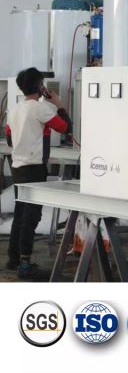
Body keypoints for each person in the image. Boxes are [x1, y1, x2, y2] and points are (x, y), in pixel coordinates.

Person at [5, 67, 71, 280]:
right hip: (34, 169)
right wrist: (59, 105)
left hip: (18, 167)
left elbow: (10, 139)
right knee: (31, 216)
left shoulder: (14, 110)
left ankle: (14, 259)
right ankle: (25, 264)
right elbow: (65, 128)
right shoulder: (40, 109)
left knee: (20, 214)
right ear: (40, 86)